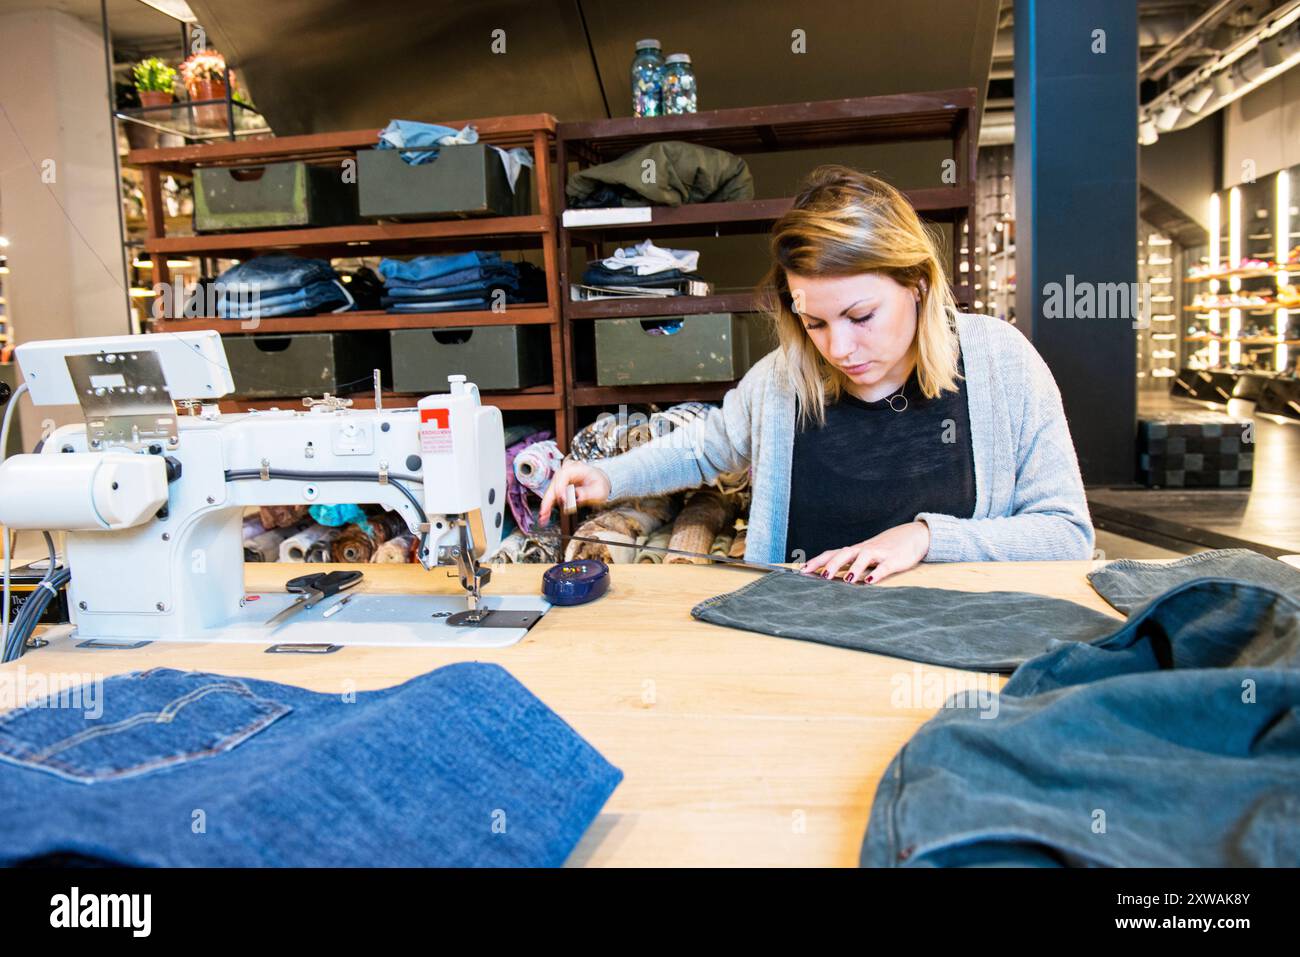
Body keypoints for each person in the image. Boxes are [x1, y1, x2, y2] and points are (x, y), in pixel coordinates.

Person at [539, 165, 1093, 584]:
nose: (839, 348)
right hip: (797, 638)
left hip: (955, 645)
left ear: (918, 284)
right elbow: (705, 448)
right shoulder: (783, 377)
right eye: (815, 323)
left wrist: (926, 537)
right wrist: (611, 476)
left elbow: (1067, 534)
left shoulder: (1002, 363)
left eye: (861, 316)